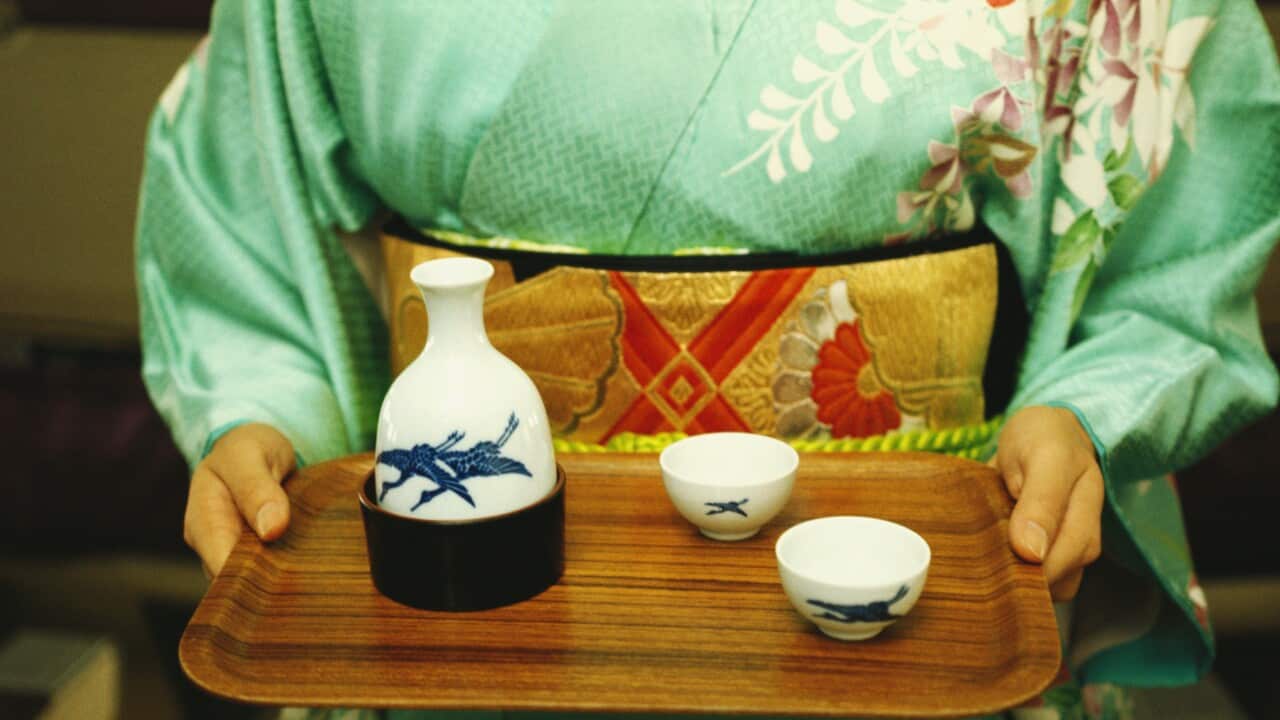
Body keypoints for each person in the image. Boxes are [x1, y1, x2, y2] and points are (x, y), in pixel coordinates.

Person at [136, 1, 1280, 718]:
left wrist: (1082, 412)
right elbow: (246, 206)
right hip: (468, 613)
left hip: (917, 607)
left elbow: (1173, 251)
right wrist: (261, 410)